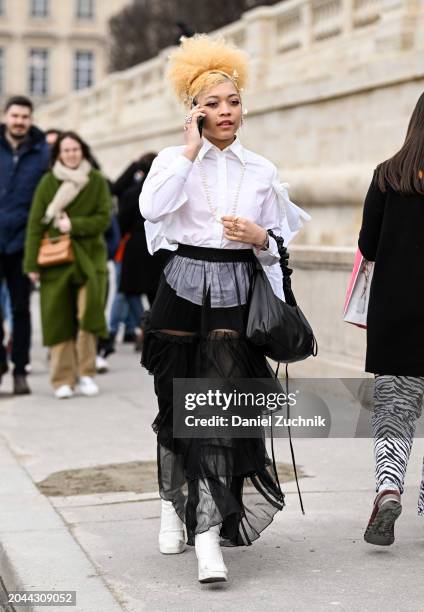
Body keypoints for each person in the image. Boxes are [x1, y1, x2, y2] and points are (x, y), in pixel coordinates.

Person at [139, 34, 309, 584]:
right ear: (193, 110)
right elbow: (151, 209)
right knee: (173, 411)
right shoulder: (172, 160)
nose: (225, 112)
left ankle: (207, 536)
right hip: (180, 295)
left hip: (235, 299)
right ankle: (172, 502)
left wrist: (261, 237)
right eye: (211, 103)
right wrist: (188, 151)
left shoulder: (261, 169)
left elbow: (278, 246)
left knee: (217, 416)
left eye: (232, 101)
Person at [358, 91, 424, 546]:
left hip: (396, 315)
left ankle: (387, 490)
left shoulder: (387, 175)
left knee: (395, 415)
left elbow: (368, 245)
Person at [24, 131, 111, 399]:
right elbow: (35, 224)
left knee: (88, 317)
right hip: (56, 262)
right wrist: (31, 264)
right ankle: (62, 378)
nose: (71, 154)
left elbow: (104, 218)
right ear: (58, 155)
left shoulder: (96, 181)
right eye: (66, 150)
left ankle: (85, 373)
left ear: (83, 151)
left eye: (75, 149)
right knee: (58, 318)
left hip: (89, 259)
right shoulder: (48, 183)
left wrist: (74, 225)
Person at [0, 95, 49, 395]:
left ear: (30, 119)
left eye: (25, 117)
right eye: (15, 116)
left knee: (21, 310)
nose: (19, 121)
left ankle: (20, 369)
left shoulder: (43, 152)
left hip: (23, 243)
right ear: (6, 116)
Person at [118, 152, 169, 350]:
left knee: (133, 293)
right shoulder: (165, 191)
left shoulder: (132, 193)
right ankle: (152, 325)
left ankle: (145, 324)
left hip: (137, 248)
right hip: (161, 247)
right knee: (156, 293)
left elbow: (121, 221)